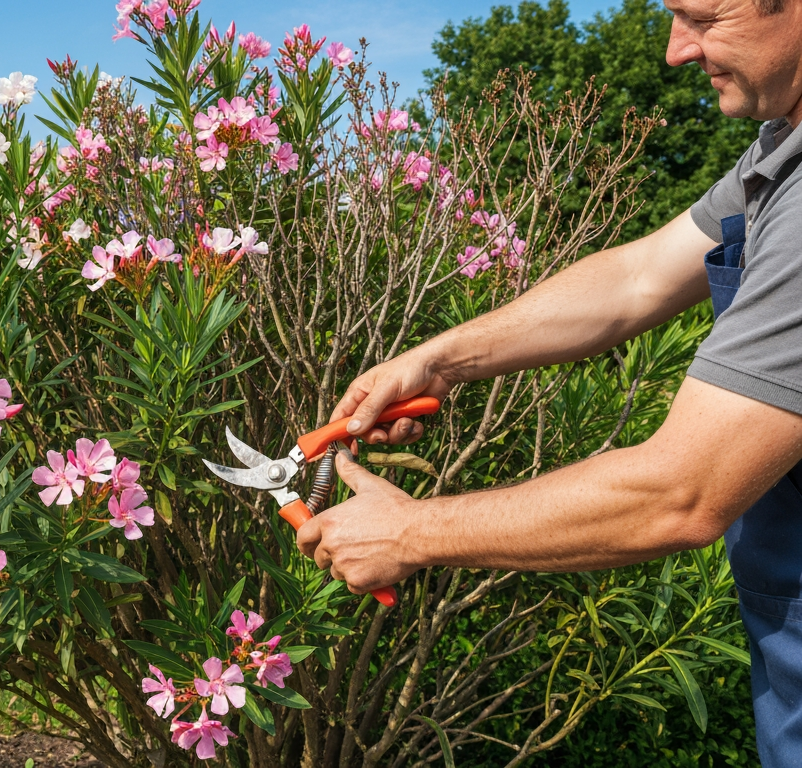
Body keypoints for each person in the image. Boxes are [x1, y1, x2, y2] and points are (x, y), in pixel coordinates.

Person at [294, 0, 802, 762]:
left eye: (703, 17)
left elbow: (679, 494)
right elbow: (637, 279)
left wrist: (411, 531)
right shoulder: (780, 149)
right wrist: (438, 359)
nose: (675, 51)